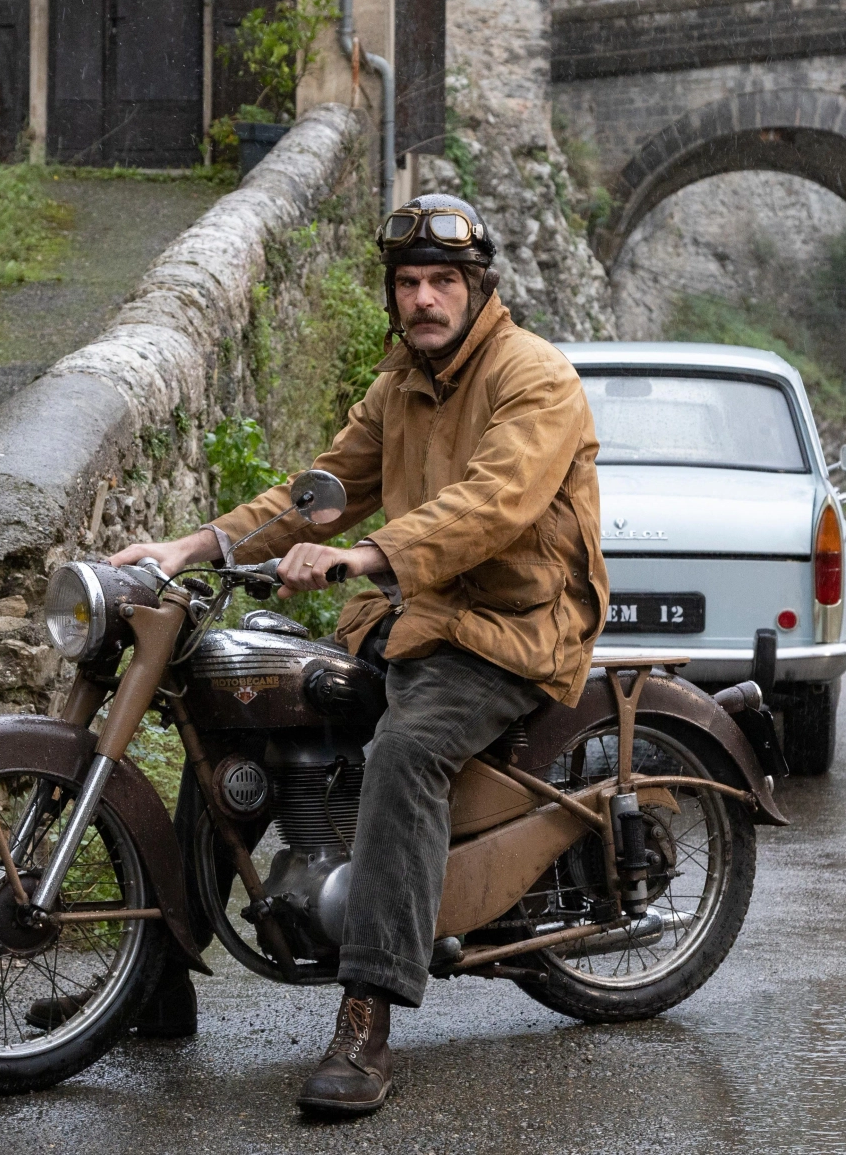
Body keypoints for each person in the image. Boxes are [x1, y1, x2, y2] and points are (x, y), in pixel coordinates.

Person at [110, 193, 608, 1115]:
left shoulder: (534, 378)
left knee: (406, 753)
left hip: (511, 627)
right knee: (238, 714)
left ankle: (368, 1015)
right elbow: (317, 495)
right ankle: (157, 978)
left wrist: (367, 554)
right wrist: (193, 547)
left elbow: (494, 503)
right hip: (418, 617)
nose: (423, 299)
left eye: (442, 281)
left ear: (477, 288)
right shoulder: (402, 386)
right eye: (408, 282)